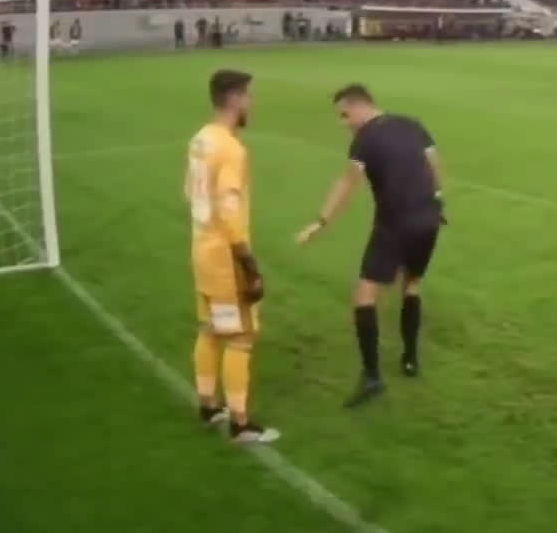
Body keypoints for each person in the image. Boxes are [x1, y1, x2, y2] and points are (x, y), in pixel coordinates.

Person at [297, 84, 445, 407]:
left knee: (364, 296)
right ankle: (410, 359)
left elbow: (347, 184)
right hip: (429, 218)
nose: (343, 122)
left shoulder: (364, 138)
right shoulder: (412, 124)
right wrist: (436, 199)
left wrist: (320, 222)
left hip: (395, 224)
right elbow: (433, 163)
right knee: (412, 284)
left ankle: (372, 377)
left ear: (360, 106)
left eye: (344, 115)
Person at [184, 70, 279, 444]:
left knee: (210, 328)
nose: (252, 103)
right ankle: (240, 423)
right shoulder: (231, 149)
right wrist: (249, 265)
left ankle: (209, 405)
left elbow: (190, 192)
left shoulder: (201, 139)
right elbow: (228, 209)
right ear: (236, 99)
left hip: (201, 249)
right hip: (225, 259)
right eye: (248, 96)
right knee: (241, 335)